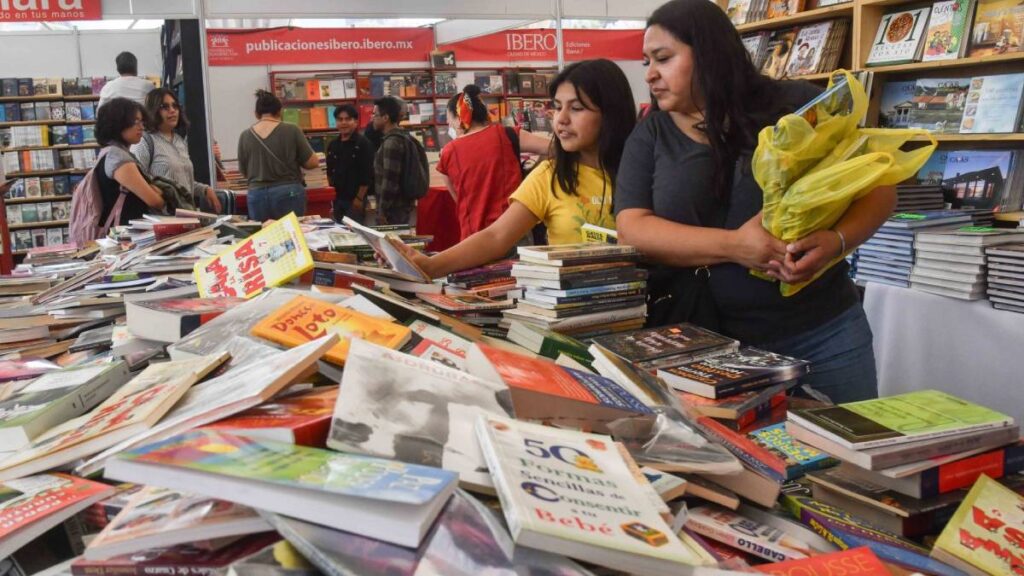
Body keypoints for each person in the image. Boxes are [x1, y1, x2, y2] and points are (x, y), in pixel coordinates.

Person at [614, 0, 895, 403]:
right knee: (745, 459)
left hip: (823, 329)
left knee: (853, 449)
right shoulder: (651, 134)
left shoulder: (797, 106)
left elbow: (879, 189)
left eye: (663, 58)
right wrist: (736, 247)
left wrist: (837, 241)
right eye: (646, 62)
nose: (651, 74)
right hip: (709, 346)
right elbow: (633, 226)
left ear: (709, 53)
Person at [402, 59, 636, 280]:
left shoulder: (642, 171)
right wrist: (429, 265)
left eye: (576, 108)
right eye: (556, 107)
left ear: (610, 113)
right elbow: (496, 236)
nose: (561, 119)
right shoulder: (549, 176)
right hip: (570, 310)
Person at [438, 84, 551, 240]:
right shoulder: (508, 134)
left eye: (448, 120)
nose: (449, 125)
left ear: (458, 119)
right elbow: (554, 148)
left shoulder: (447, 153)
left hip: (474, 237)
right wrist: (535, 174)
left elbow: (458, 198)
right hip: (513, 230)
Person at [132, 88, 221, 214]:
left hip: (187, 215)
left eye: (175, 106)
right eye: (165, 107)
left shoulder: (179, 141)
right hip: (162, 220)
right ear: (153, 110)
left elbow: (183, 184)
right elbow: (138, 184)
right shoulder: (145, 142)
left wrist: (205, 190)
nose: (172, 110)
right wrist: (161, 202)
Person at [236, 90, 319, 221]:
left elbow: (244, 172)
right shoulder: (292, 130)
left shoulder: (245, 135)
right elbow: (312, 162)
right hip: (288, 193)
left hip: (256, 195)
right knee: (291, 237)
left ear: (256, 114)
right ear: (279, 111)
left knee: (262, 238)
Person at [93, 97, 165, 225]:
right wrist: (157, 191)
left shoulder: (109, 153)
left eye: (142, 122)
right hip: (127, 235)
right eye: (135, 121)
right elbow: (155, 201)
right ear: (118, 123)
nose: (141, 127)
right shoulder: (119, 158)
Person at [372, 96, 420, 225]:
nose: (372, 118)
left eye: (375, 114)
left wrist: (382, 211)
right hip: (399, 207)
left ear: (385, 118)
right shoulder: (401, 137)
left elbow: (390, 181)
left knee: (392, 244)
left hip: (392, 211)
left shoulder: (392, 142)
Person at [325, 104, 373, 223]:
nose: (343, 123)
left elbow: (367, 174)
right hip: (337, 199)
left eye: (348, 119)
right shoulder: (333, 144)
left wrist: (359, 198)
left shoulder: (363, 144)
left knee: (356, 235)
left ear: (355, 122)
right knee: (339, 233)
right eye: (340, 119)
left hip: (355, 200)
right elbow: (329, 172)